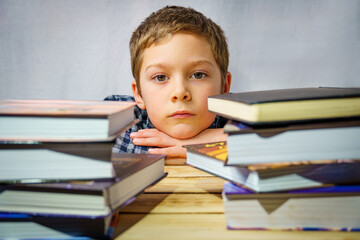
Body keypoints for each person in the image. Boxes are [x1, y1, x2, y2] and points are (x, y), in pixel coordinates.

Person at [105, 5, 231, 158]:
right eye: (160, 77)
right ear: (139, 94)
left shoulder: (241, 118)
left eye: (198, 75)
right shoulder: (118, 119)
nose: (180, 92)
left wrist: (207, 142)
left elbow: (267, 142)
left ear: (224, 88)